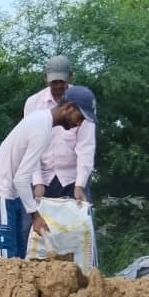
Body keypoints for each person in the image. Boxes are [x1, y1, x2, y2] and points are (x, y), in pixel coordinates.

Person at [0, 85, 98, 259]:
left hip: (12, 194)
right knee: (4, 258)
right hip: (0, 191)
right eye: (80, 117)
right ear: (68, 107)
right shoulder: (41, 128)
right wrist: (36, 217)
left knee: (18, 258)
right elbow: (21, 179)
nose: (79, 123)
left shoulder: (42, 121)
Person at [23, 55, 96, 204]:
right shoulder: (33, 103)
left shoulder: (83, 100)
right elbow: (30, 145)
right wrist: (37, 181)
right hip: (43, 177)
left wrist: (80, 185)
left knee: (79, 225)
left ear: (70, 76)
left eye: (61, 82)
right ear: (46, 78)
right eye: (53, 82)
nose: (57, 86)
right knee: (34, 226)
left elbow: (86, 147)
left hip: (73, 178)